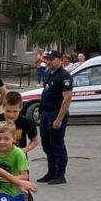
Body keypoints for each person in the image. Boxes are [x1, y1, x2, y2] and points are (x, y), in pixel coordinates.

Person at [37, 50, 73, 184]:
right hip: (46, 112)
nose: (48, 61)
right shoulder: (47, 73)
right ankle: (51, 172)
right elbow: (46, 92)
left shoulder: (64, 76)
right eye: (47, 59)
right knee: (46, 144)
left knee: (57, 143)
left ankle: (60, 174)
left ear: (60, 60)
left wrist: (59, 119)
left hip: (56, 112)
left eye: (52, 59)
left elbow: (67, 98)